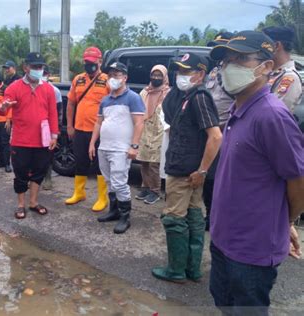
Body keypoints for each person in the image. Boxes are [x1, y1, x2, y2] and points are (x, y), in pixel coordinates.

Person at [209, 31, 304, 315]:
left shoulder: (271, 115)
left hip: (252, 251)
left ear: (266, 66)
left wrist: (284, 221)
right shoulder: (239, 111)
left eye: (240, 59)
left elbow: (298, 181)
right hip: (224, 240)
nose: (228, 67)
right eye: (226, 60)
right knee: (223, 303)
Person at [152, 53, 222, 283]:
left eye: (186, 71)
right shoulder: (185, 95)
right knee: (193, 218)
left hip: (186, 171)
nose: (180, 76)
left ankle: (176, 270)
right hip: (188, 169)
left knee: (174, 218)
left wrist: (202, 170)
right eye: (178, 71)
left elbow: (215, 137)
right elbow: (170, 112)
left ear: (200, 74)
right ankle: (192, 269)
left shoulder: (199, 97)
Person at [0, 52, 58, 220]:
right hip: (21, 140)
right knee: (21, 173)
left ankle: (33, 202)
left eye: (40, 67)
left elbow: (53, 113)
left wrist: (54, 135)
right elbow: (2, 109)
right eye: (34, 67)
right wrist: (3, 107)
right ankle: (20, 204)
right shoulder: (14, 88)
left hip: (42, 140)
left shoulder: (48, 89)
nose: (38, 70)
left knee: (39, 172)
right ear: (26, 67)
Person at [89, 62, 145, 234]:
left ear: (125, 78)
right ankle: (113, 211)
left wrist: (134, 146)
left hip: (121, 149)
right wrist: (92, 143)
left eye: (117, 75)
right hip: (104, 147)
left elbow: (139, 123)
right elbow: (98, 123)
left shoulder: (133, 97)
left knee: (120, 182)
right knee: (109, 181)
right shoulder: (105, 100)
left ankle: (124, 216)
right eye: (111, 75)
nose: (113, 78)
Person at [65, 46, 110, 212]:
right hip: (79, 129)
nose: (88, 65)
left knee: (100, 164)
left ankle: (102, 198)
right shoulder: (78, 79)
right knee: (80, 161)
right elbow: (71, 103)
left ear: (100, 62)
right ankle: (79, 193)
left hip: (100, 131)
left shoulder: (107, 80)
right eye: (86, 62)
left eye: (92, 62)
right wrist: (69, 125)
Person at [203, 32, 235, 231]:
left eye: (220, 46)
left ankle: (219, 216)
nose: (216, 50)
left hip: (225, 131)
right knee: (208, 178)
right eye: (214, 46)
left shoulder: (235, 73)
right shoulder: (215, 70)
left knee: (218, 178)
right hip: (209, 129)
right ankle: (210, 214)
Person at [136, 65, 170, 205]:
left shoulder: (168, 93)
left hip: (159, 131)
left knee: (154, 163)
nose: (156, 78)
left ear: (164, 77)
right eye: (154, 75)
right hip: (144, 129)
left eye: (159, 75)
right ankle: (145, 187)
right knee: (143, 160)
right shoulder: (144, 92)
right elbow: (138, 110)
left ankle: (155, 191)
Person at [263, 26, 303, 113]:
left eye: (264, 45)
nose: (261, 50)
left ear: (276, 46)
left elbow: (274, 114)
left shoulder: (289, 77)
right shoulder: (270, 73)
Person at [42, 65, 63, 190]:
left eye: (44, 73)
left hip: (48, 128)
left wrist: (57, 130)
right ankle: (33, 178)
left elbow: (59, 112)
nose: (42, 75)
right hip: (34, 127)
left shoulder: (54, 91)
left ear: (48, 75)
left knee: (48, 153)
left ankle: (48, 178)